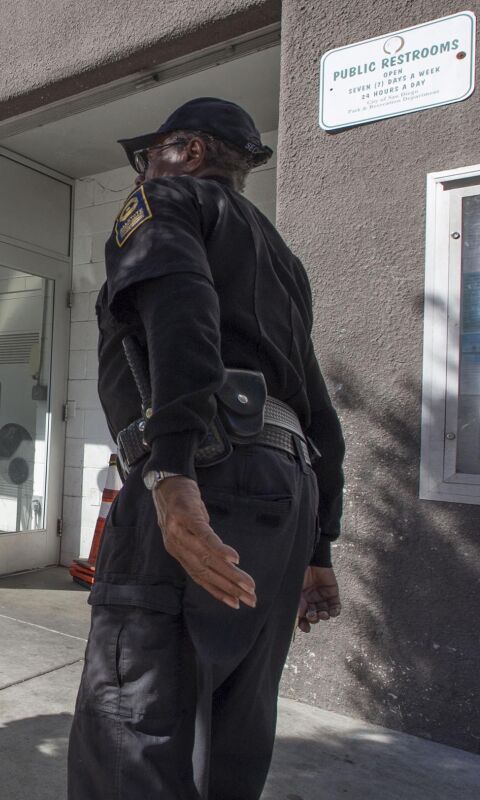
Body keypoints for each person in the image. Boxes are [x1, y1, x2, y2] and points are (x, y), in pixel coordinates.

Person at [68, 98, 346, 800]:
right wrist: (319, 550)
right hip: (285, 493)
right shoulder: (282, 260)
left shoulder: (166, 200)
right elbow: (319, 410)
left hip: (206, 468)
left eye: (149, 154)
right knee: (238, 722)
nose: (142, 172)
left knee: (133, 716)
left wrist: (170, 469)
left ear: (188, 151)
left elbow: (181, 313)